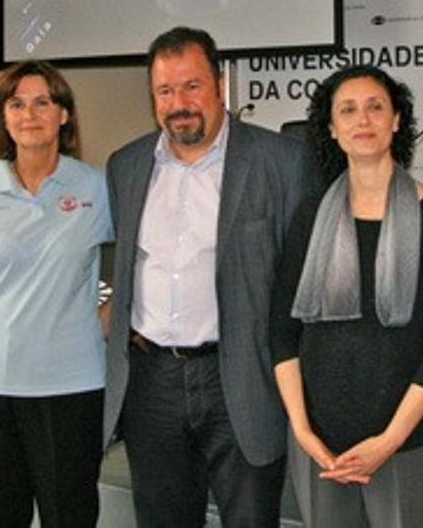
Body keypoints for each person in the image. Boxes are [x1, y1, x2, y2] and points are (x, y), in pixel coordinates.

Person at [102, 26, 319, 527]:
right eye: (165, 90)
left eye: (192, 86)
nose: (179, 102)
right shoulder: (126, 166)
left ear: (220, 84)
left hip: (241, 377)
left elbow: (305, 283)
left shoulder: (283, 162)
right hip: (150, 379)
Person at [270, 65, 423, 527]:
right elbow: (282, 332)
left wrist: (390, 440)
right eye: (348, 110)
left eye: (376, 106)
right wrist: (301, 430)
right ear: (333, 129)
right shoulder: (309, 217)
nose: (363, 120)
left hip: (408, 441)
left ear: (397, 120)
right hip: (318, 443)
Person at [0, 61, 112, 528]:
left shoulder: (96, 186)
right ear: (3, 117)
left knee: (70, 518)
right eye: (16, 104)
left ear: (64, 115)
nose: (28, 114)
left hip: (71, 389)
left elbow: (145, 256)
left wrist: (113, 311)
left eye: (42, 102)